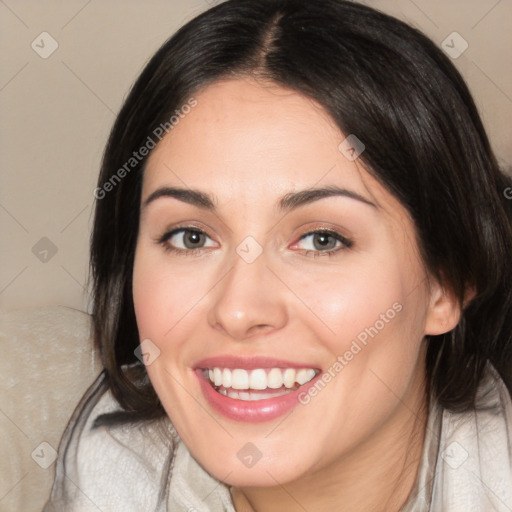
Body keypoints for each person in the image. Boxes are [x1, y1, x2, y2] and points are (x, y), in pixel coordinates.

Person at [43, 0, 512, 510]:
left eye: (322, 240)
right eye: (191, 237)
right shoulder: (103, 469)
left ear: (446, 283)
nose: (239, 310)